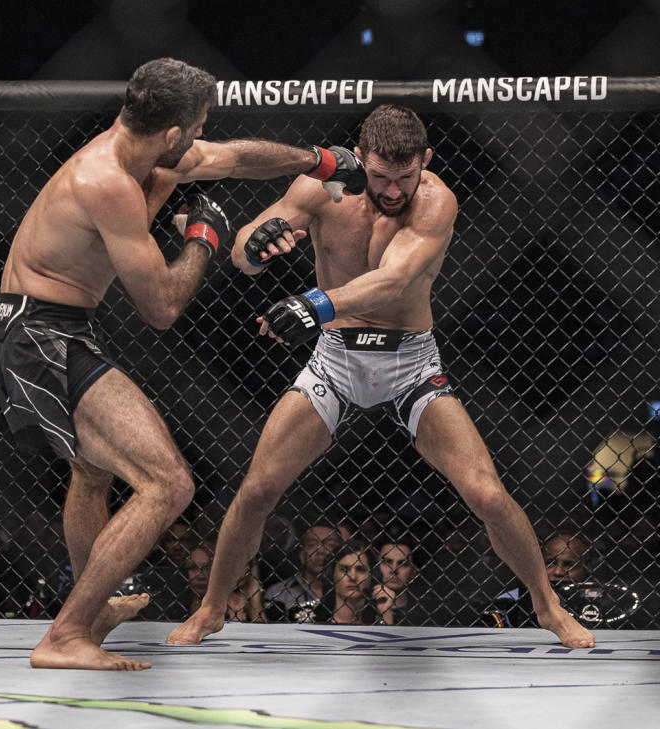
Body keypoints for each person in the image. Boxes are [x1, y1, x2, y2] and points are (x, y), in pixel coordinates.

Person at [167, 104, 594, 649]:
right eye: (381, 175)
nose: (394, 189)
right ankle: (210, 610)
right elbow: (246, 255)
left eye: (406, 176)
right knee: (255, 491)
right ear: (361, 159)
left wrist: (314, 304)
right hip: (337, 357)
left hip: (409, 359)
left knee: (486, 494)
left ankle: (548, 607)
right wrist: (259, 240)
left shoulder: (437, 200)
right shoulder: (321, 188)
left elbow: (394, 281)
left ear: (425, 162)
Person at [0, 57, 362, 670]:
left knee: (92, 473)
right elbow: (161, 306)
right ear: (170, 132)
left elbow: (234, 158)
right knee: (168, 482)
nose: (199, 137)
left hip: (49, 327)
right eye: (196, 127)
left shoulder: (145, 154)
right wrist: (203, 237)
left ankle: (90, 606)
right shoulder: (106, 180)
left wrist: (316, 160)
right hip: (38, 336)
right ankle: (66, 635)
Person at [263, 524, 340, 622]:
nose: (321, 550)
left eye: (330, 545)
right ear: (302, 555)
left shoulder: (352, 590)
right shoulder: (279, 592)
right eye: (312, 544)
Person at [373, 539, 421, 625]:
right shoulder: (362, 608)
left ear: (413, 572)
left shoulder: (422, 612)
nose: (394, 569)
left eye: (403, 564)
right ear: (377, 566)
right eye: (387, 562)